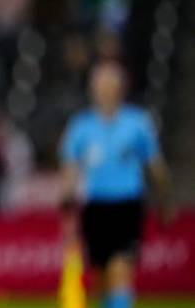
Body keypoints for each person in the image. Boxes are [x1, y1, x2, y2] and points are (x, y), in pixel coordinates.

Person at [60, 61, 173, 308]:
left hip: (127, 205)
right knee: (101, 278)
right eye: (98, 84)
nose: (103, 90)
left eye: (108, 84)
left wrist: (164, 199)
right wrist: (67, 207)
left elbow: (155, 165)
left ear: (120, 88)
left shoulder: (138, 123)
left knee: (120, 271)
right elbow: (70, 169)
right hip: (96, 207)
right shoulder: (81, 126)